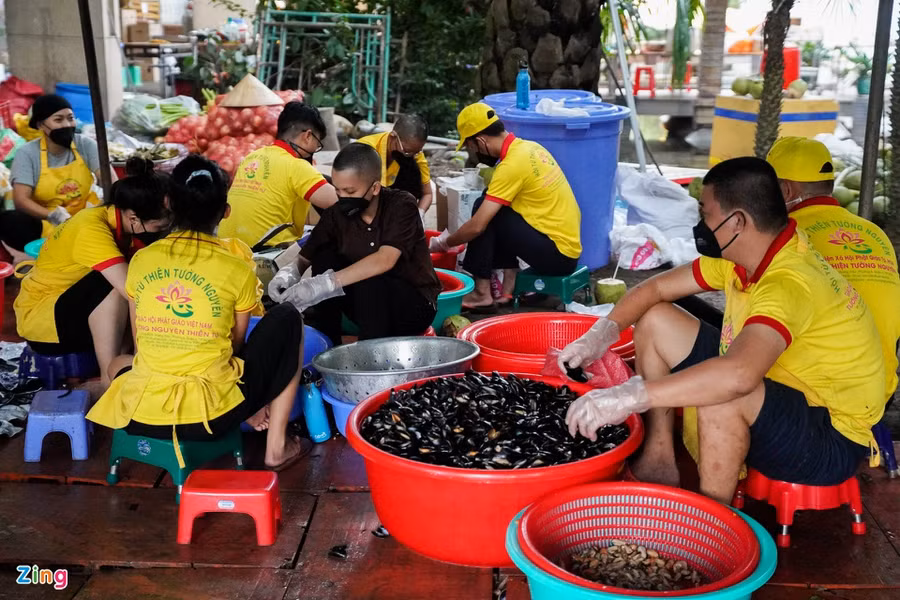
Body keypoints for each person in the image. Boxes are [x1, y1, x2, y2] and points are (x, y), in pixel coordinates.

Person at [559, 157, 884, 504]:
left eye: (705, 212)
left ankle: (712, 521)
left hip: (829, 434)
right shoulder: (748, 255)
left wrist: (630, 396)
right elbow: (653, 290)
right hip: (778, 383)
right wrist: (600, 335)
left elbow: (740, 375)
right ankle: (659, 461)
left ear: (737, 222)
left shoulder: (790, 282)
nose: (699, 223)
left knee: (723, 391)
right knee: (656, 319)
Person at [87, 155, 310, 471]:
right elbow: (234, 347)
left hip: (138, 415)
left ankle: (246, 413)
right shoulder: (236, 268)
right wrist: (248, 402)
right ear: (226, 212)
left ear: (167, 202)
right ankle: (276, 447)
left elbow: (141, 347)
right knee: (289, 317)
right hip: (211, 419)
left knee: (118, 363)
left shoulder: (141, 260)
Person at [13, 157, 170, 386]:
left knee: (134, 280)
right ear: (134, 218)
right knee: (118, 284)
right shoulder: (90, 228)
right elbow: (134, 290)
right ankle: (110, 377)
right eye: (160, 227)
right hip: (45, 323)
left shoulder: (122, 225)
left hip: (74, 309)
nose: (164, 232)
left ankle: (118, 366)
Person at [268, 143, 440, 346]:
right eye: (338, 191)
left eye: (350, 191)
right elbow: (307, 254)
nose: (343, 198)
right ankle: (327, 342)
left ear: (374, 188)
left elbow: (384, 260)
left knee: (372, 278)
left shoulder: (401, 205)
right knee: (325, 256)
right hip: (366, 306)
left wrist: (324, 284)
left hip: (412, 306)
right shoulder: (336, 213)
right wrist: (290, 273)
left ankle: (370, 356)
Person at [429, 103, 581, 311]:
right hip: (566, 249)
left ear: (481, 141)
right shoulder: (531, 148)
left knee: (485, 209)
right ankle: (509, 285)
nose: (473, 153)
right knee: (493, 204)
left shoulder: (511, 165)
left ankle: (481, 294)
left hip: (557, 257)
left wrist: (444, 242)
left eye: (471, 147)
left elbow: (476, 227)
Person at [1, 94, 113, 252]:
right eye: (58, 120)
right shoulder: (27, 153)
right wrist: (52, 216)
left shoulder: (85, 144)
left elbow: (111, 182)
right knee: (10, 221)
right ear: (41, 125)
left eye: (70, 118)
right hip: (48, 222)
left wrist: (99, 209)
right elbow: (21, 200)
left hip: (87, 215)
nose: (67, 124)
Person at [219, 102, 338, 248]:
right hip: (262, 255)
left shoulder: (252, 157)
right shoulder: (297, 166)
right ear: (307, 136)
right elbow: (339, 201)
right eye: (317, 144)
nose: (315, 149)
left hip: (225, 247)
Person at [358, 114, 433, 221]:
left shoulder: (414, 153)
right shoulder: (365, 150)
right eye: (407, 151)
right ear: (393, 136)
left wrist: (419, 213)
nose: (411, 155)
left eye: (416, 152)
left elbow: (427, 193)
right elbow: (355, 194)